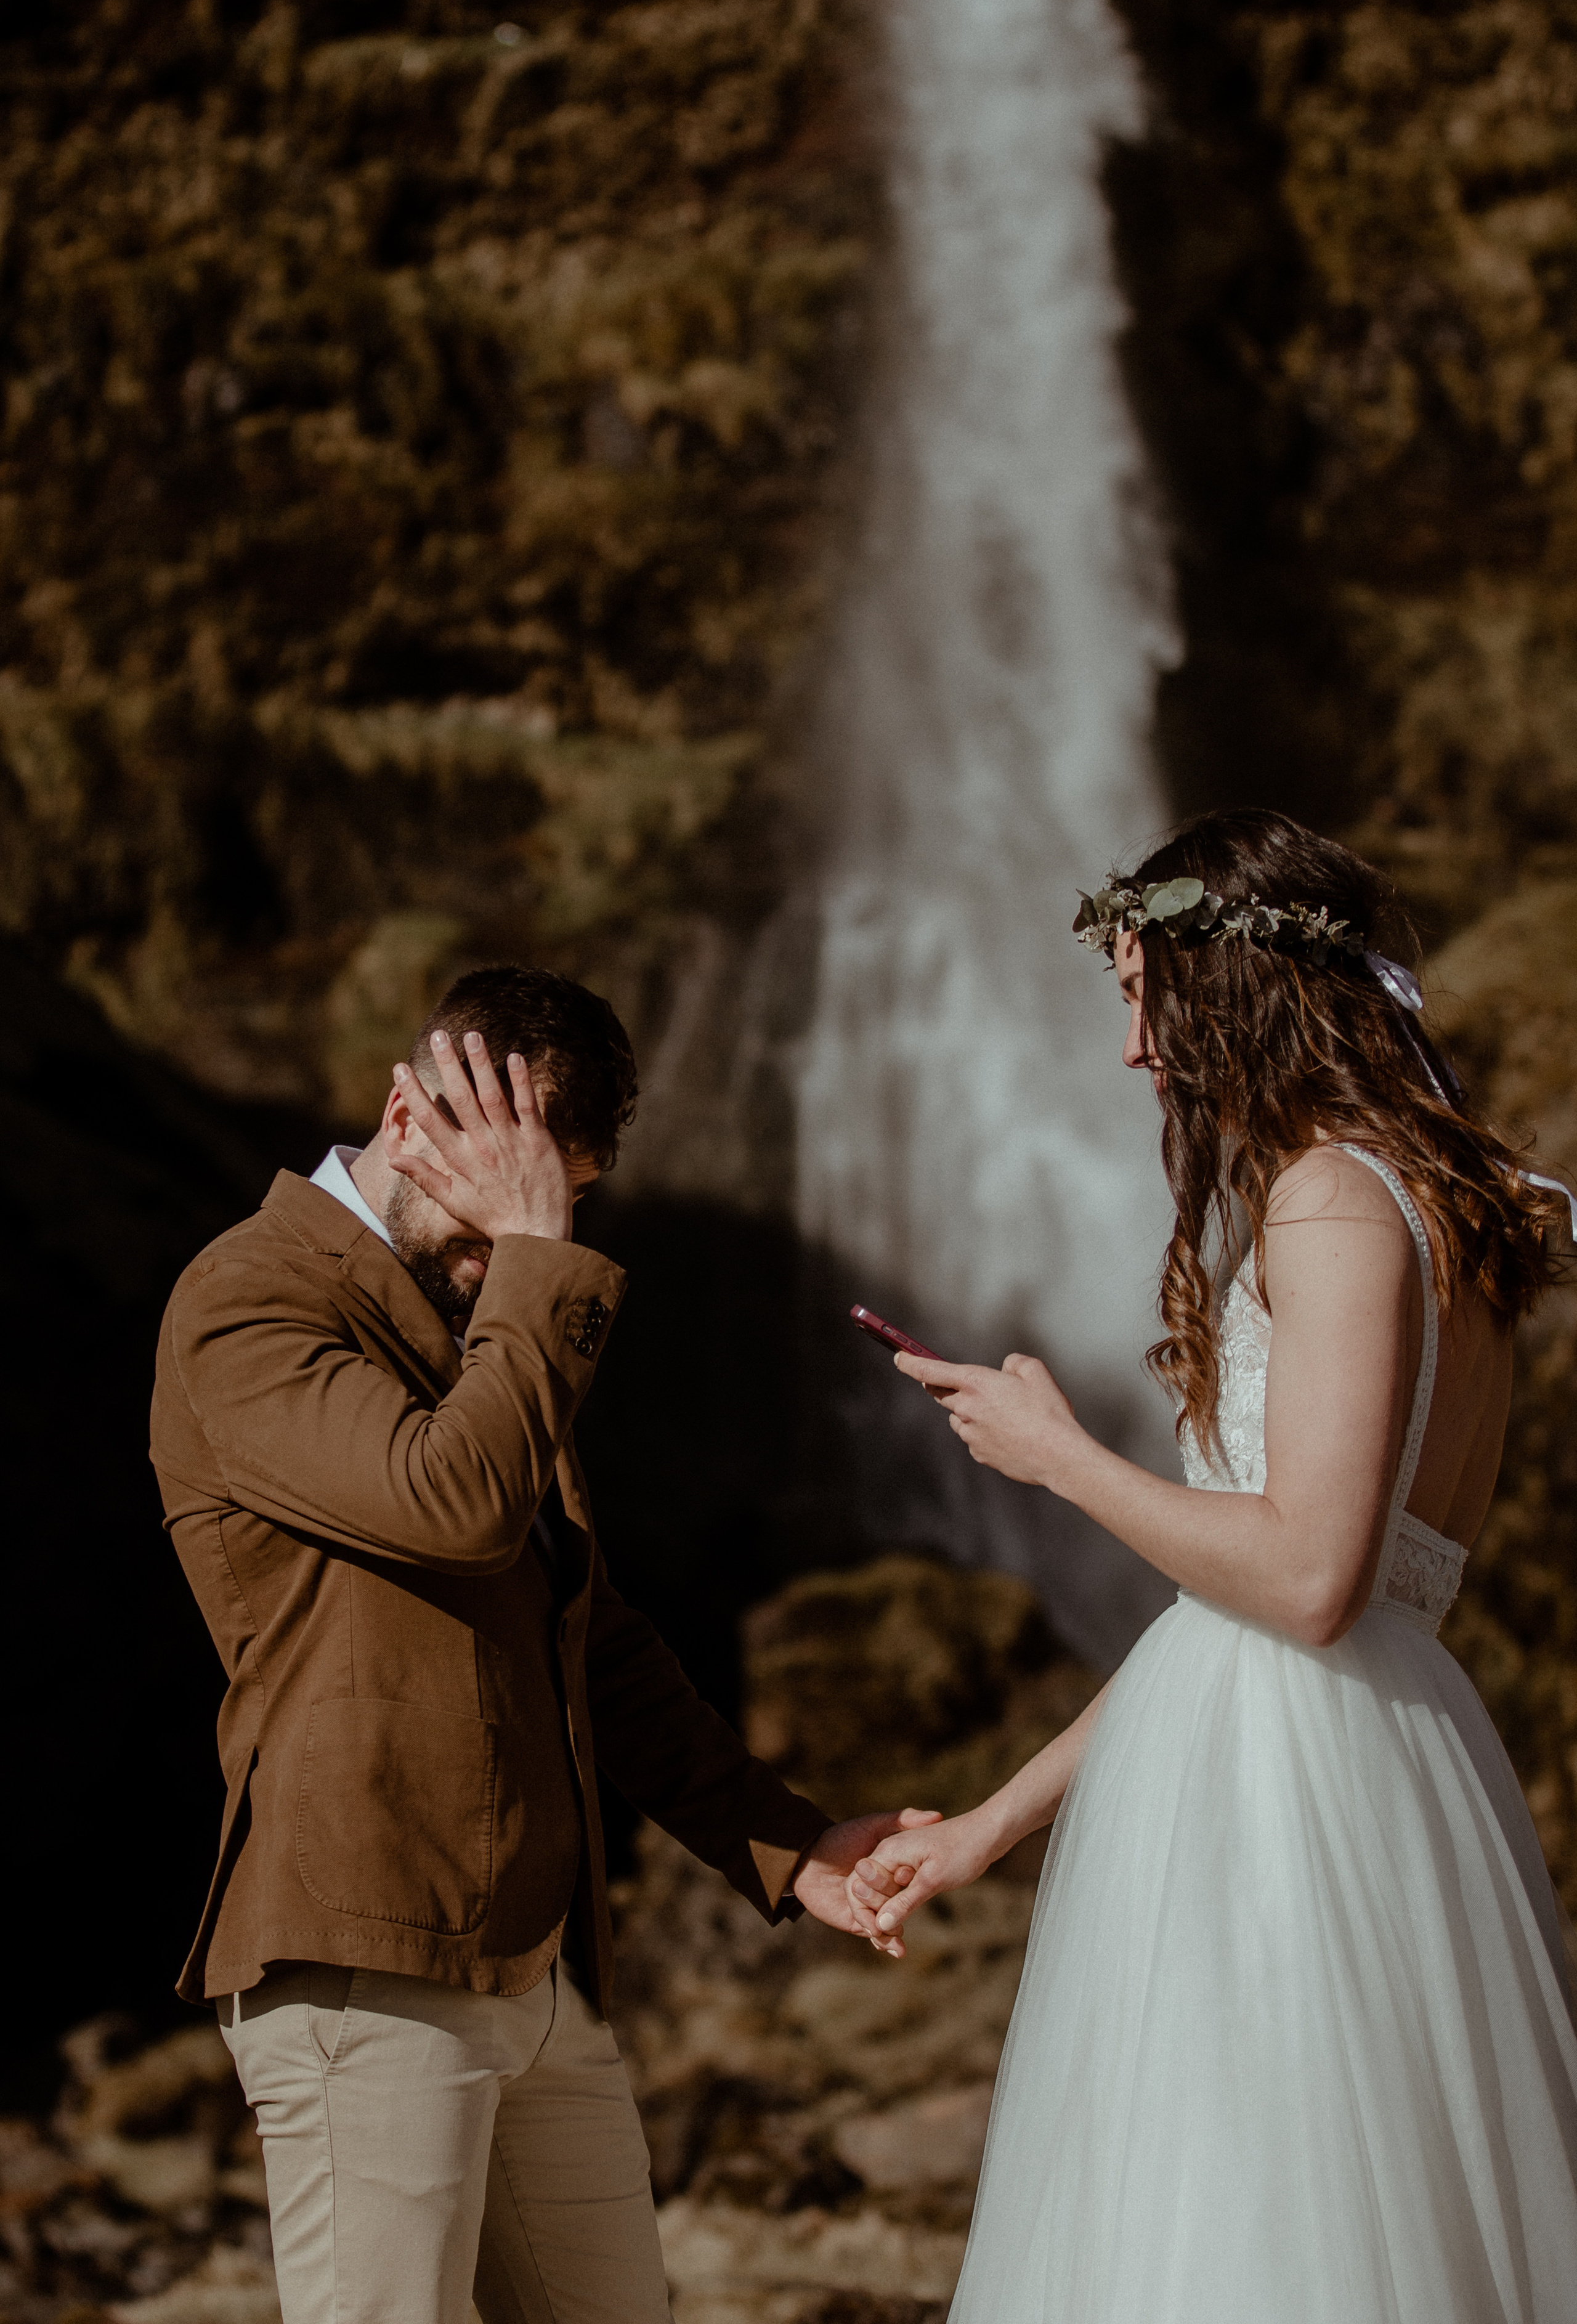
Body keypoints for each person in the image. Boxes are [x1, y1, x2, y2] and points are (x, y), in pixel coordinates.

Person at [846, 810, 1577, 2321]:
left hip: (1282, 1813)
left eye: (1141, 992)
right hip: (1362, 1762)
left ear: (1234, 985)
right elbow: (1240, 1617)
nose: (1130, 1049)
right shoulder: (1434, 1204)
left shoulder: (1328, 1202)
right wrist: (988, 1823)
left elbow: (1305, 1580)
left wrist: (1061, 1461)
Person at [152, 962, 934, 2324]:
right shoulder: (246, 1297)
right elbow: (446, 1508)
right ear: (405, 1114)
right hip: (367, 1957)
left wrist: (788, 1844)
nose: (510, 1244)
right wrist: (531, 1265)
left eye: (563, 1203)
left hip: (537, 1965)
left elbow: (592, 1634)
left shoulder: (486, 1330)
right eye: (500, 1205)